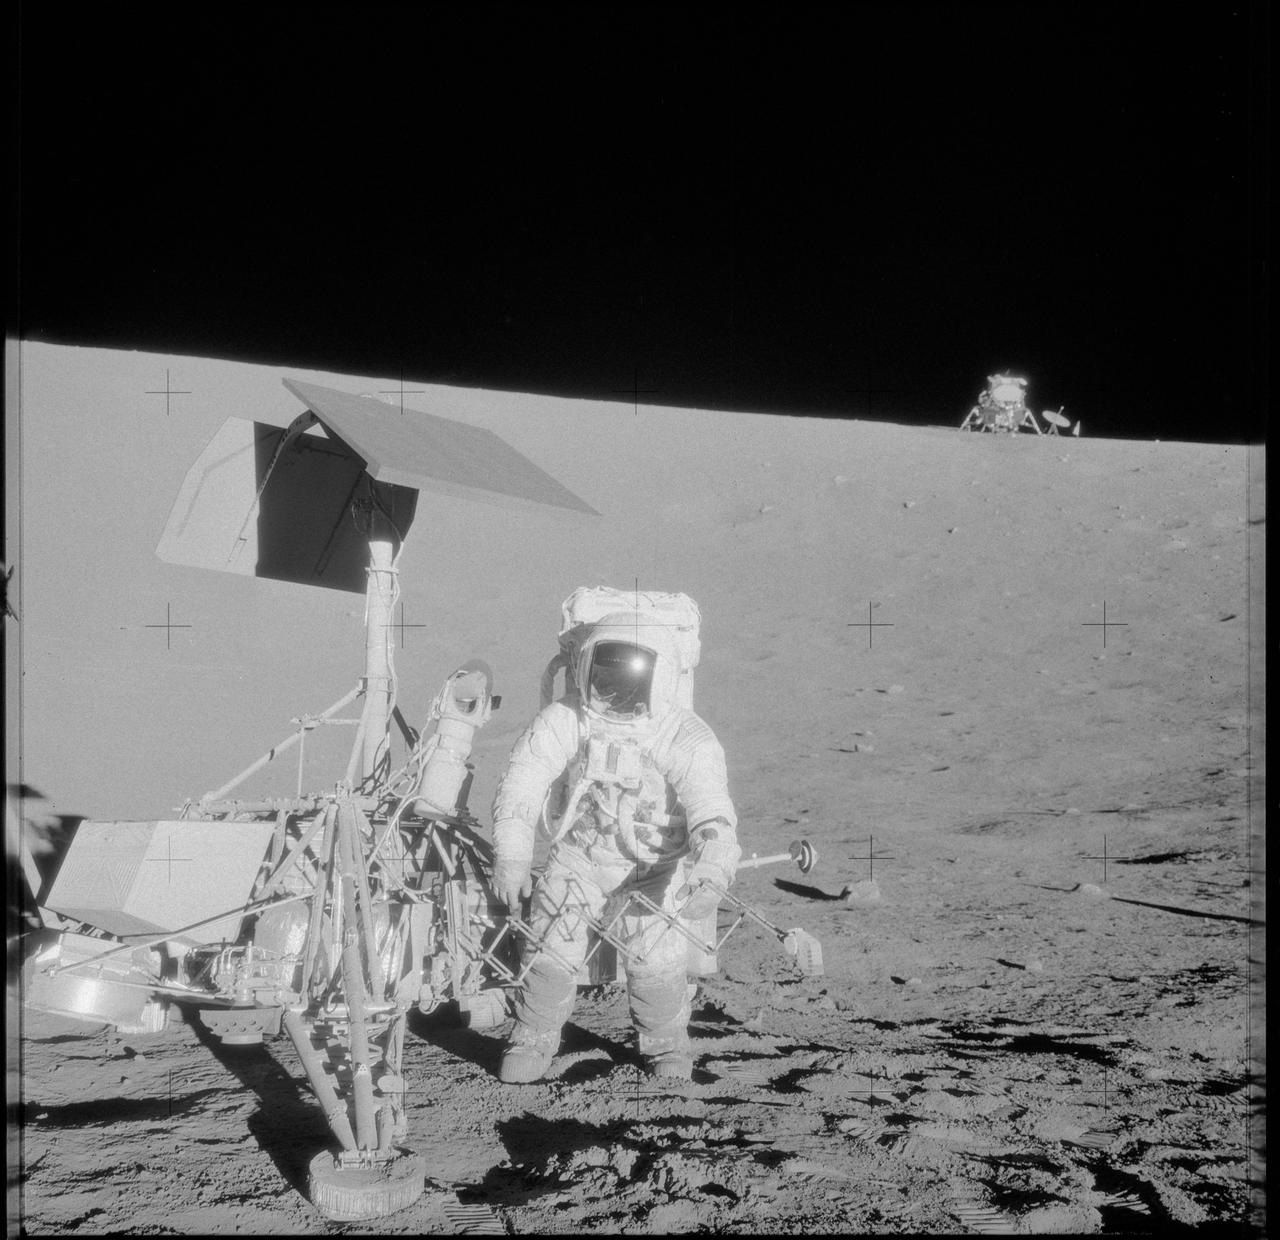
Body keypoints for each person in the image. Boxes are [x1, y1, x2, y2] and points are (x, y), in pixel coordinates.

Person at [490, 609, 740, 1082]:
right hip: (578, 856)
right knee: (551, 940)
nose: (617, 692)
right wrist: (513, 854)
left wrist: (711, 870)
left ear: (662, 676)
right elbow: (521, 783)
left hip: (653, 866)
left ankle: (665, 1043)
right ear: (586, 668)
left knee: (656, 955)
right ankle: (534, 1034)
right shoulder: (567, 719)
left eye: (632, 680)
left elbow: (712, 810)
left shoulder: (683, 735)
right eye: (606, 677)